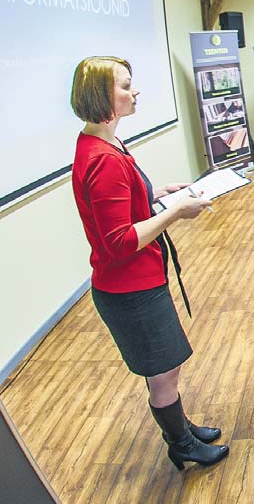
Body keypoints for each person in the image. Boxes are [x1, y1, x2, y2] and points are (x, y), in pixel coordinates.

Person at [70, 57, 229, 470]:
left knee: (167, 368)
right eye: (125, 86)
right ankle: (182, 446)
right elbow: (120, 241)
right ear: (101, 96)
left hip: (139, 283)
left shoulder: (105, 145)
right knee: (163, 374)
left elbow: (122, 205)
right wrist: (175, 211)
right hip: (129, 291)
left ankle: (183, 429)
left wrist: (159, 193)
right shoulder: (103, 158)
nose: (135, 91)